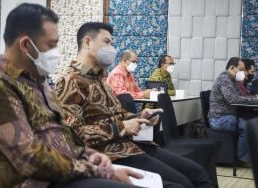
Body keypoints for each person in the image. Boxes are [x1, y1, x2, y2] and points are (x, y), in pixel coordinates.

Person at [0, 4, 142, 188]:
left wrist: (87, 154)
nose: (56, 51)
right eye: (51, 45)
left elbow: (65, 133)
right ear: (25, 44)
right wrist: (97, 170)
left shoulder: (38, 81)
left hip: (69, 173)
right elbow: (29, 158)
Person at [54, 22, 213, 188]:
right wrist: (121, 127)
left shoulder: (99, 79)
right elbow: (71, 136)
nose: (112, 48)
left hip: (135, 145)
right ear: (87, 42)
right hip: (112, 154)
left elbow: (118, 114)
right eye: (107, 42)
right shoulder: (69, 82)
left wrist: (139, 118)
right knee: (182, 184)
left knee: (198, 173)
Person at [207, 57, 258, 164]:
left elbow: (242, 95)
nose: (244, 73)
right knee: (247, 127)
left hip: (228, 116)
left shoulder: (232, 80)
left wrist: (254, 98)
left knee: (253, 121)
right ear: (232, 68)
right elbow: (233, 99)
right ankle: (243, 159)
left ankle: (250, 155)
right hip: (219, 119)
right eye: (241, 70)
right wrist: (256, 100)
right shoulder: (224, 79)